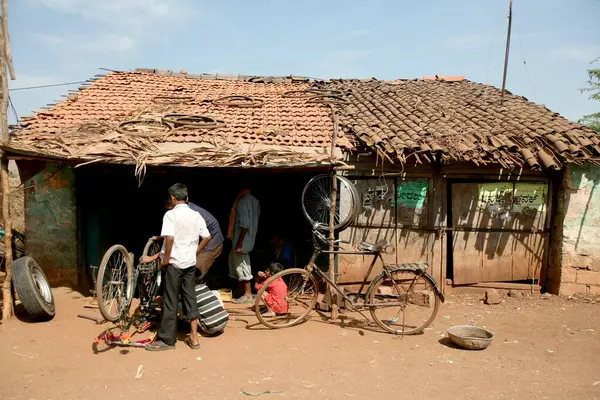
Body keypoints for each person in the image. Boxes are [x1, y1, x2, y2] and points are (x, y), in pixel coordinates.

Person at [141, 183, 212, 351]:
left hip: (174, 264)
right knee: (190, 298)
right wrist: (195, 252)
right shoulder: (196, 215)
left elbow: (170, 238)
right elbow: (207, 237)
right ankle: (194, 338)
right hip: (189, 264)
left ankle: (167, 340)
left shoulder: (170, 215)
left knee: (170, 300)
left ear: (172, 198)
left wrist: (165, 259)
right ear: (186, 198)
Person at [164, 199, 224, 283]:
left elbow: (176, 238)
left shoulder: (188, 213)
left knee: (194, 269)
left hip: (212, 243)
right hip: (203, 239)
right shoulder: (184, 208)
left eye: (170, 209)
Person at [227, 184, 260, 304]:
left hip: (241, 240)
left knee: (242, 265)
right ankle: (241, 289)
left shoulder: (242, 202)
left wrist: (239, 242)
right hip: (248, 239)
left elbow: (244, 225)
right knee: (235, 262)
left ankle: (247, 294)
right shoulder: (254, 201)